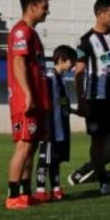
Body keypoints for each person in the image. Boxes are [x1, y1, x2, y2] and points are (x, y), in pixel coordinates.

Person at [70, 0, 110, 194]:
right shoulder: (86, 41)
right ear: (100, 14)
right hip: (96, 101)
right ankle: (103, 182)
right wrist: (81, 100)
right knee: (98, 142)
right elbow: (78, 73)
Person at [5, 0, 53, 210]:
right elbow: (18, 63)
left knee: (31, 147)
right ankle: (12, 195)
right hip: (26, 100)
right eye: (44, 7)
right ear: (32, 6)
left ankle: (25, 192)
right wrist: (28, 94)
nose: (47, 11)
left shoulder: (31, 33)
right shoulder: (21, 32)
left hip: (37, 99)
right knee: (23, 146)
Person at [33, 44, 76, 203]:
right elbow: (45, 103)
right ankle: (40, 189)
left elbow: (62, 102)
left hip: (61, 127)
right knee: (45, 159)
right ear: (61, 60)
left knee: (55, 159)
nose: (73, 65)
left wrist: (72, 111)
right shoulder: (49, 78)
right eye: (71, 61)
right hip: (50, 127)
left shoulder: (60, 79)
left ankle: (56, 188)